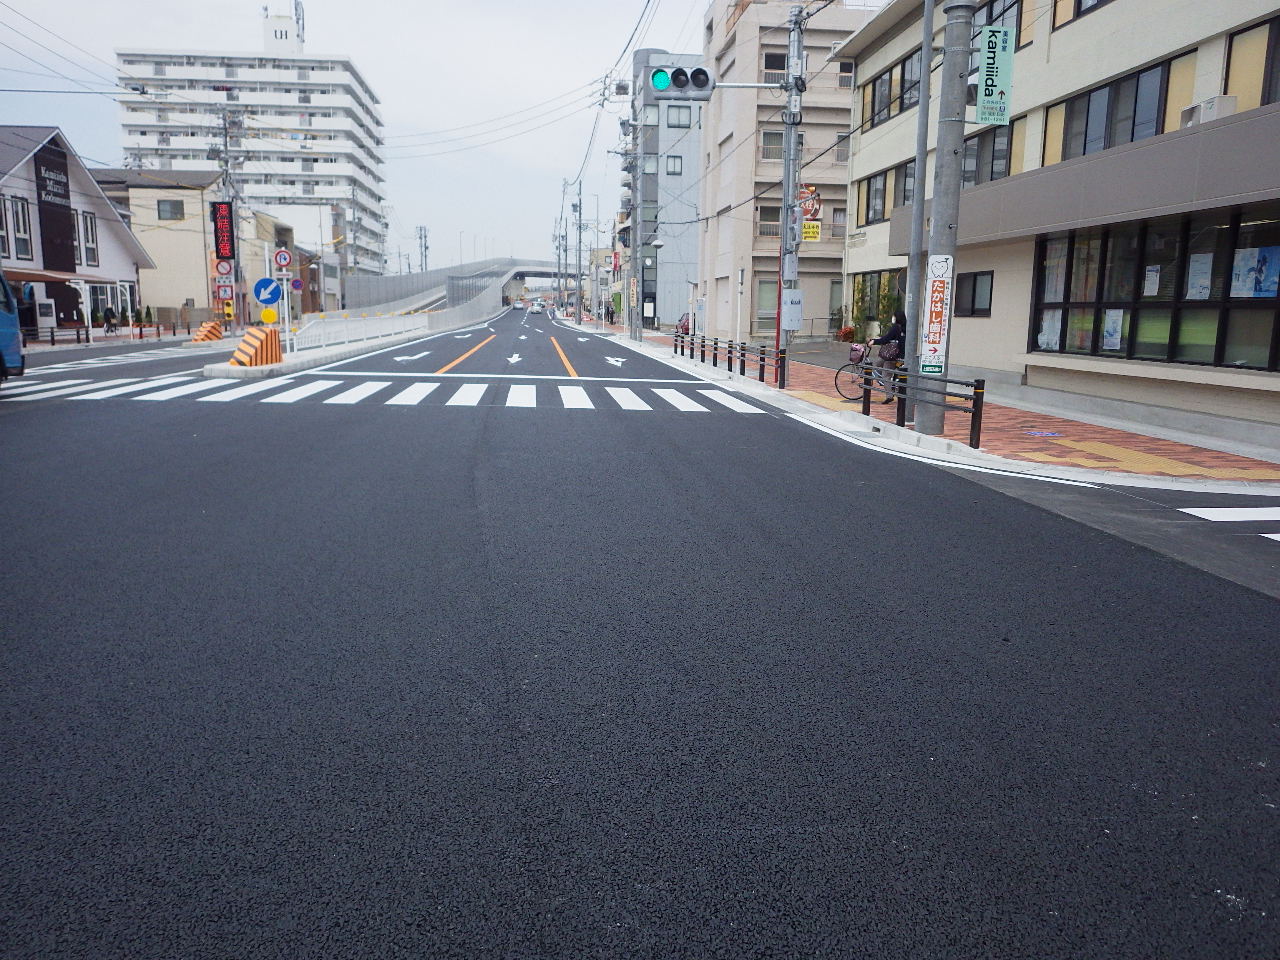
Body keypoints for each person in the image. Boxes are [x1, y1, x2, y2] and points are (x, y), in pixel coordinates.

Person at [868, 308, 906, 403]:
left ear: (896, 317)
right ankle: (888, 384)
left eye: (894, 316)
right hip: (899, 354)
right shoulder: (906, 327)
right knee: (878, 363)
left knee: (886, 375)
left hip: (892, 355)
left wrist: (874, 341)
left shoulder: (896, 327)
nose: (892, 318)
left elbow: (886, 339)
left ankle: (889, 395)